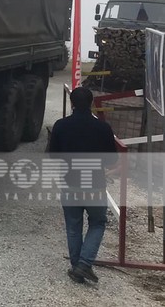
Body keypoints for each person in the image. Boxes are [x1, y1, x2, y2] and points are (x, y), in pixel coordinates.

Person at [48, 87, 117, 284]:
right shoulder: (103, 128)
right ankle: (84, 264)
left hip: (70, 184)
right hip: (95, 184)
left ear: (71, 103)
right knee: (97, 223)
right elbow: (112, 161)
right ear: (92, 104)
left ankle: (78, 266)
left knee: (73, 226)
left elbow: (53, 157)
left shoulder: (61, 126)